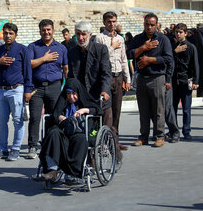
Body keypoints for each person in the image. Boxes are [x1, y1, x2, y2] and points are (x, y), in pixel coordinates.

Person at [67, 21, 119, 160]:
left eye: (84, 34)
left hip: (100, 96)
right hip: (83, 99)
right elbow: (71, 77)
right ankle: (90, 162)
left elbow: (106, 73)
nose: (81, 38)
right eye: (78, 34)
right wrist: (71, 92)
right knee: (87, 132)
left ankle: (116, 156)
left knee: (108, 128)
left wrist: (105, 90)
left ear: (90, 35)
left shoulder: (100, 49)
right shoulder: (72, 52)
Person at [39, 78, 102, 181]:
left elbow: (98, 110)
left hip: (79, 133)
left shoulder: (84, 101)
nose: (71, 97)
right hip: (64, 134)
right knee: (53, 132)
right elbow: (54, 116)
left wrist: (85, 110)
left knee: (81, 140)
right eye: (68, 93)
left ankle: (74, 174)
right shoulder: (62, 103)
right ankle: (52, 170)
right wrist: (59, 117)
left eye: (74, 93)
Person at [0, 22, 33, 161]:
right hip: (1, 91)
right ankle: (3, 149)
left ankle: (16, 148)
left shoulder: (22, 50)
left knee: (18, 120)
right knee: (1, 121)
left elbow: (28, 71)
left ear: (15, 35)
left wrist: (28, 90)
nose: (8, 36)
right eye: (6, 33)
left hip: (16, 89)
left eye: (11, 33)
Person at [128, 13, 173, 147]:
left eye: (152, 25)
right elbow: (129, 54)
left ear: (156, 25)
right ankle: (143, 137)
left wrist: (150, 60)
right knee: (143, 110)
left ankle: (159, 136)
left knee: (159, 109)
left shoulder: (163, 39)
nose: (149, 27)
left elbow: (168, 59)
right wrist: (144, 48)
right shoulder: (138, 39)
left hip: (157, 78)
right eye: (147, 24)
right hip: (142, 79)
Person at [27, 19, 68, 159]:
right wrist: (44, 59)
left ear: (53, 30)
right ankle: (32, 146)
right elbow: (29, 65)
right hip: (36, 88)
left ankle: (51, 144)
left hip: (55, 87)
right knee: (35, 118)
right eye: (43, 30)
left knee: (53, 117)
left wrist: (67, 87)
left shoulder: (61, 48)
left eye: (49, 29)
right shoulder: (33, 47)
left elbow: (66, 68)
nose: (46, 32)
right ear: (40, 31)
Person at [95, 12, 131, 151]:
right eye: (109, 21)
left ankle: (115, 141)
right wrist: (112, 47)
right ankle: (104, 141)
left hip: (118, 77)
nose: (112, 24)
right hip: (105, 78)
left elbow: (124, 59)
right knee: (107, 111)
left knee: (117, 110)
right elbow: (99, 58)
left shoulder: (120, 39)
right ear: (104, 22)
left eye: (114, 21)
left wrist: (127, 78)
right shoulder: (99, 38)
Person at [171, 23, 199, 140]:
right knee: (172, 108)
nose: (178, 34)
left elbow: (196, 65)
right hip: (173, 81)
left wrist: (196, 81)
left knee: (186, 109)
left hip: (185, 80)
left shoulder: (191, 47)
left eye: (180, 32)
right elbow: (167, 61)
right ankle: (174, 130)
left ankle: (186, 130)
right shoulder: (172, 47)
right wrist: (175, 51)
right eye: (177, 32)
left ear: (185, 33)